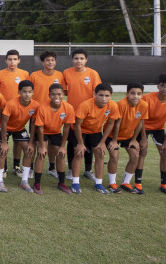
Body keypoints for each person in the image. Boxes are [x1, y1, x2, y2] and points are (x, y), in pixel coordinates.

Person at [138, 73, 166, 195]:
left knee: (165, 153)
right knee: (142, 151)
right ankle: (138, 183)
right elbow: (141, 120)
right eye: (163, 86)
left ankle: (164, 185)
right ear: (158, 86)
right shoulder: (146, 98)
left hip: (159, 129)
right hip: (143, 127)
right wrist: (143, 138)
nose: (165, 89)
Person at [73, 83, 120, 194]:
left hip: (95, 131)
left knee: (100, 153)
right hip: (80, 130)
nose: (104, 99)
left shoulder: (113, 106)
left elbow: (111, 124)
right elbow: (76, 125)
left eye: (107, 96)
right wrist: (80, 143)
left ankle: (98, 183)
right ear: (95, 94)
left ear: (111, 96)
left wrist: (103, 142)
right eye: (101, 95)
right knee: (79, 153)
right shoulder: (86, 105)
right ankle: (75, 183)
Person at [63, 49, 102, 180]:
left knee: (89, 141)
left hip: (89, 112)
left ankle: (88, 169)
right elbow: (64, 91)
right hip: (72, 113)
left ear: (86, 60)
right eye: (76, 58)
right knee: (73, 142)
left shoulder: (93, 73)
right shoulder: (66, 73)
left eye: (81, 58)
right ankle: (70, 169)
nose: (78, 61)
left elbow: (98, 91)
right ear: (72, 60)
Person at [28, 83, 74, 195]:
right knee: (41, 154)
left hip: (56, 132)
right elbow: (40, 128)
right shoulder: (43, 108)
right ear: (49, 95)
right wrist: (42, 146)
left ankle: (61, 183)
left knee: (61, 154)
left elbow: (66, 128)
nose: (56, 97)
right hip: (42, 132)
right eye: (53, 94)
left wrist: (63, 146)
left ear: (63, 94)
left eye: (59, 94)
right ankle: (37, 184)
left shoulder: (68, 108)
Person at [30, 51, 66, 178]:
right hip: (37, 114)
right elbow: (29, 92)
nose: (50, 62)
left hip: (54, 114)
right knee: (36, 144)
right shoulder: (34, 75)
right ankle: (31, 168)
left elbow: (62, 93)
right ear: (42, 62)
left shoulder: (60, 75)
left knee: (53, 142)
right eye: (47, 60)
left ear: (55, 62)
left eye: (52, 60)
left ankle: (52, 167)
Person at [108, 83, 148, 194]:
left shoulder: (144, 105)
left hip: (128, 136)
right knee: (114, 156)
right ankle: (112, 184)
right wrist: (114, 141)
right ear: (127, 94)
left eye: (139, 94)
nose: (135, 96)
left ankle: (126, 183)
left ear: (142, 95)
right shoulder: (121, 104)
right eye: (133, 93)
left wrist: (134, 139)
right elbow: (117, 124)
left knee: (135, 156)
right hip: (113, 135)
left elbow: (140, 122)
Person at [0, 49, 31, 176]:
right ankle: (3, 168)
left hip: (19, 116)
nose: (12, 62)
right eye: (10, 59)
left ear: (19, 60)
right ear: (6, 60)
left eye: (15, 59)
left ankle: (16, 167)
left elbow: (28, 91)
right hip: (4, 114)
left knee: (18, 143)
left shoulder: (25, 73)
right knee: (2, 144)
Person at [3, 80, 39, 192]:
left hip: (19, 128)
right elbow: (4, 123)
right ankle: (2, 173)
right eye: (24, 92)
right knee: (3, 149)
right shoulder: (11, 104)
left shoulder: (35, 105)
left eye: (30, 92)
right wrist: (4, 142)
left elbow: (33, 124)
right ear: (19, 92)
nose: (27, 94)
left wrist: (31, 142)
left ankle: (24, 181)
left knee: (29, 150)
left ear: (33, 92)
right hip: (5, 127)